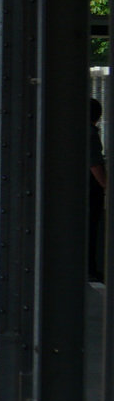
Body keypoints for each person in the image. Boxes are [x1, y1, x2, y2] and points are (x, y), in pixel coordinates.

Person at [89, 98, 107, 281]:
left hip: (83, 191)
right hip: (91, 192)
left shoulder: (78, 133)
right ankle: (90, 270)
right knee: (91, 230)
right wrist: (106, 186)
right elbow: (95, 164)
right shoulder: (91, 135)